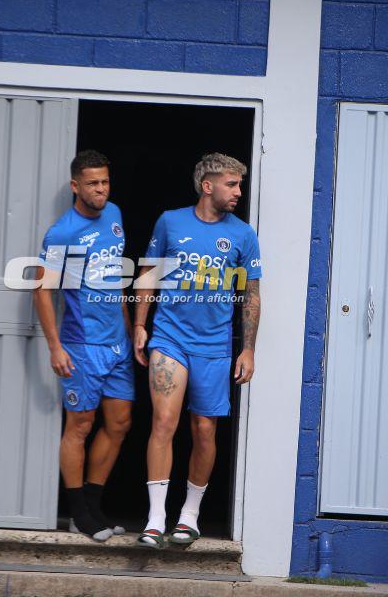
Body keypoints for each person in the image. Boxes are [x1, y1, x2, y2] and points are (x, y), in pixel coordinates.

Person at [132, 153, 262, 548]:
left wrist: (249, 350)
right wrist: (140, 324)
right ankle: (155, 519)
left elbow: (251, 296)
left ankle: (189, 516)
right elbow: (148, 274)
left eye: (240, 185)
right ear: (208, 186)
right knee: (163, 423)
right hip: (169, 338)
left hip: (215, 347)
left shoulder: (243, 234)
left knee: (204, 430)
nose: (238, 192)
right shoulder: (170, 221)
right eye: (231, 184)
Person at [32, 150, 134, 542]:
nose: (101, 190)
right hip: (82, 343)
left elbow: (117, 277)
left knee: (120, 423)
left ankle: (93, 506)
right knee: (81, 425)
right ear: (76, 186)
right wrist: (55, 347)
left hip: (117, 344)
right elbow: (42, 292)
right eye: (93, 183)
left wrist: (128, 330)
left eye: (105, 182)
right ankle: (78, 513)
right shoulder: (63, 232)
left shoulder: (115, 215)